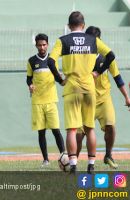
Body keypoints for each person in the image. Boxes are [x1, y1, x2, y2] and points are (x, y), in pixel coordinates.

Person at [47, 11, 116, 174]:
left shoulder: (62, 41)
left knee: (72, 129)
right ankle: (91, 165)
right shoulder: (93, 40)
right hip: (89, 88)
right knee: (89, 128)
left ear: (69, 26)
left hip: (72, 88)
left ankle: (73, 165)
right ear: (83, 25)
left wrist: (59, 78)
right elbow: (111, 55)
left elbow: (50, 61)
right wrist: (98, 72)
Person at [76, 26, 130, 169]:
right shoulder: (80, 57)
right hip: (86, 100)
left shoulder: (107, 57)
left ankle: (108, 155)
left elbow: (117, 78)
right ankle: (72, 161)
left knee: (111, 127)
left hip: (104, 99)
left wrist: (127, 97)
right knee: (79, 134)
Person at [26, 33, 65, 167]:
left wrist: (63, 81)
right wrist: (30, 85)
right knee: (41, 132)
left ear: (47, 45)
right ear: (36, 45)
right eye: (39, 45)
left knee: (56, 130)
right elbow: (28, 78)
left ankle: (63, 156)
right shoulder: (31, 61)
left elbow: (58, 77)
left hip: (51, 100)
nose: (42, 47)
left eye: (44, 44)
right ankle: (46, 159)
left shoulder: (52, 60)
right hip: (37, 101)